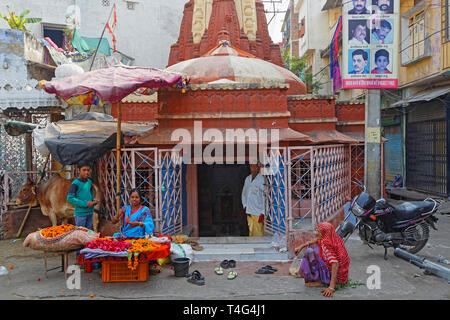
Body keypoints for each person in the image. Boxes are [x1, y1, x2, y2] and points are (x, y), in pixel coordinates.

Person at [295, 222, 350, 298]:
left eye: (318, 231)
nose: (316, 233)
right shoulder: (333, 237)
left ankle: (324, 281)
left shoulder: (327, 244)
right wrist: (302, 246)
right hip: (342, 276)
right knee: (314, 248)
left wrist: (331, 288)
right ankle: (318, 277)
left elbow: (335, 264)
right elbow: (317, 239)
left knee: (309, 252)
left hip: (336, 277)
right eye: (317, 230)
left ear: (324, 233)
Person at [67, 162, 98, 231]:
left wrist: (93, 200)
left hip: (90, 212)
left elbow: (90, 193)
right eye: (84, 170)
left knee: (88, 232)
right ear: (78, 170)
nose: (86, 172)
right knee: (81, 234)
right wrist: (85, 203)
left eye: (88, 170)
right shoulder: (75, 183)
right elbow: (69, 198)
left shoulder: (89, 182)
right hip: (80, 214)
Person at [241, 163, 265, 237]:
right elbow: (244, 193)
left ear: (258, 168)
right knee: (251, 231)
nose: (253, 168)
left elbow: (265, 196)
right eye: (252, 166)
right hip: (249, 211)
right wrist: (245, 206)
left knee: (259, 232)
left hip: (258, 211)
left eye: (255, 166)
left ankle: (259, 247)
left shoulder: (262, 179)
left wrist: (263, 212)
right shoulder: (247, 179)